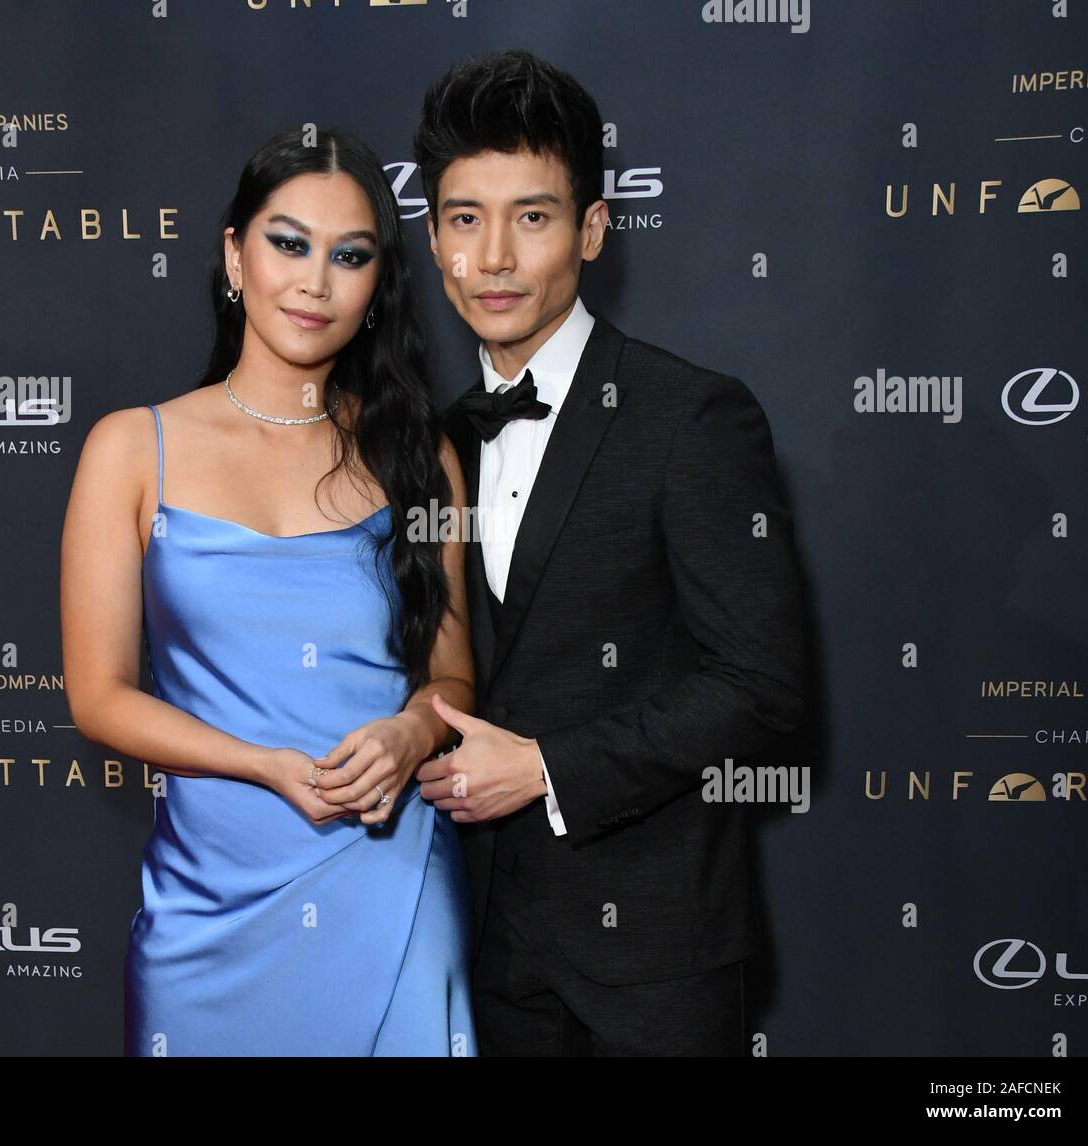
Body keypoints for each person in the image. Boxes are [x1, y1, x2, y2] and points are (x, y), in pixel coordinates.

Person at [411, 50, 809, 1055]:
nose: (494, 255)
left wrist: (549, 768)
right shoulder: (430, 443)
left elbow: (759, 686)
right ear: (432, 239)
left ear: (591, 229)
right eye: (465, 218)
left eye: (532, 216)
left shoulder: (692, 417)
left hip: (654, 961)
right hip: (478, 949)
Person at [59, 126, 478, 1056]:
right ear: (232, 256)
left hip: (388, 873)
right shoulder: (131, 449)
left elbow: (452, 681)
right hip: (209, 902)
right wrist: (262, 763)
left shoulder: (419, 458)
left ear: (378, 288)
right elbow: (97, 697)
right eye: (288, 243)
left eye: (351, 256)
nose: (316, 282)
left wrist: (412, 732)